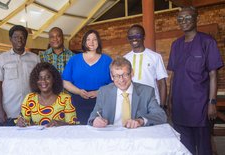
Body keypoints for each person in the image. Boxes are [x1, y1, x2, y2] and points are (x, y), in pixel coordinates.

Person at [167, 6, 223, 155]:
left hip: (200, 106)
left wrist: (212, 102)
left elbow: (213, 74)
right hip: (180, 107)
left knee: (204, 149)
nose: (183, 21)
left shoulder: (207, 42)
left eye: (187, 18)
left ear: (196, 19)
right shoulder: (175, 45)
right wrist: (170, 100)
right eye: (180, 19)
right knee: (184, 148)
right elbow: (173, 76)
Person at [88, 57, 167, 128]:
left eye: (125, 75)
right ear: (111, 77)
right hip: (111, 137)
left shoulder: (147, 92)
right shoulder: (104, 91)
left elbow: (161, 116)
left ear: (132, 73)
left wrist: (141, 121)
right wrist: (95, 120)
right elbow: (93, 115)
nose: (121, 80)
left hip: (137, 137)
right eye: (116, 76)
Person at [0, 25, 40, 126]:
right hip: (9, 112)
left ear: (26, 39)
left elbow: (39, 83)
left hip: (31, 111)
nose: (19, 40)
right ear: (10, 39)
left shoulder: (35, 58)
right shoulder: (1, 59)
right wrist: (0, 110)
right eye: (16, 37)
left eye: (22, 37)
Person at [63, 30, 112, 124]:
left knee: (100, 129)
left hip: (101, 101)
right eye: (88, 39)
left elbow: (113, 83)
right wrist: (79, 91)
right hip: (78, 101)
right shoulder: (74, 59)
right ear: (84, 42)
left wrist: (99, 92)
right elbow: (65, 82)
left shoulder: (107, 60)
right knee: (80, 131)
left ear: (99, 42)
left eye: (94, 39)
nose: (91, 42)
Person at [16, 62, 77, 127]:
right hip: (37, 136)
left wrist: (60, 124)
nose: (43, 81)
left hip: (59, 136)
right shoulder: (30, 98)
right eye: (39, 78)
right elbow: (24, 121)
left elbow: (73, 125)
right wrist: (20, 122)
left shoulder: (66, 99)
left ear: (54, 79)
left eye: (47, 77)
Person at [124, 24, 168, 108]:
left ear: (144, 36)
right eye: (130, 36)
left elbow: (162, 83)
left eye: (137, 35)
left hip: (152, 102)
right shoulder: (125, 59)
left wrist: (163, 106)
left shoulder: (155, 57)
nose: (134, 38)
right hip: (131, 103)